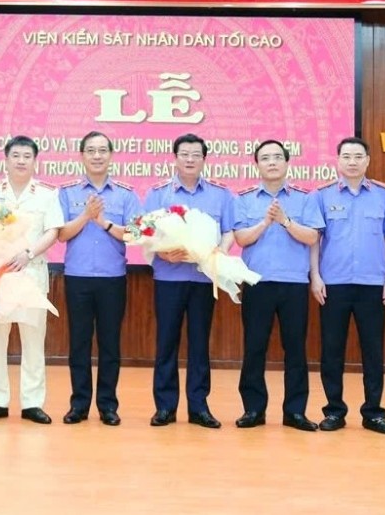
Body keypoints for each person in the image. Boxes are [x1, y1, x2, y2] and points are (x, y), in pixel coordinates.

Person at [310, 136, 385, 435]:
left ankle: (373, 413)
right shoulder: (322, 195)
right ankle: (334, 411)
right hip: (333, 285)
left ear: (367, 160)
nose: (352, 162)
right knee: (332, 351)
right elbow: (314, 240)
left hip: (373, 285)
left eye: (358, 156)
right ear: (338, 161)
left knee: (373, 351)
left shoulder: (383, 195)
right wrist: (315, 276)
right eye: (347, 156)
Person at [144, 133, 234, 429]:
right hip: (168, 277)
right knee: (166, 342)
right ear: (175, 158)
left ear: (204, 159)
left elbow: (229, 232)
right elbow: (142, 231)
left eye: (196, 154)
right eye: (184, 154)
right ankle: (165, 407)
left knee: (199, 344)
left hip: (203, 279)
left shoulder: (220, 194)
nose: (190, 159)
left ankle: (199, 407)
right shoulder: (159, 194)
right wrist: (161, 251)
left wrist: (219, 251)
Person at [232, 140, 323, 432]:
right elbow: (241, 238)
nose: (271, 162)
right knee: (254, 347)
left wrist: (285, 221)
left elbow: (312, 237)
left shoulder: (305, 198)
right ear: (256, 164)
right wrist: (264, 222)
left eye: (277, 157)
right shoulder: (244, 198)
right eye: (265, 158)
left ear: (286, 162)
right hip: (257, 284)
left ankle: (295, 412)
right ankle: (253, 409)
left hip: (293, 284)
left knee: (295, 349)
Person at [0, 135, 64, 425]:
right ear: (6, 159)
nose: (21, 161)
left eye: (27, 156)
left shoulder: (47, 193)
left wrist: (28, 253)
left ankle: (32, 403)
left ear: (35, 161)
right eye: (16, 155)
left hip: (31, 273)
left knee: (33, 340)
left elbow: (53, 230)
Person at [57, 131, 141, 426]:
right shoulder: (67, 192)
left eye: (102, 150)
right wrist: (85, 216)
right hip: (77, 277)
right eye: (91, 150)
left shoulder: (126, 194)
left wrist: (103, 222)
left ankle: (107, 405)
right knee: (79, 343)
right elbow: (60, 234)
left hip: (112, 278)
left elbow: (135, 234)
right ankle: (79, 405)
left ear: (111, 155)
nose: (97, 155)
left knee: (110, 344)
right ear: (81, 155)